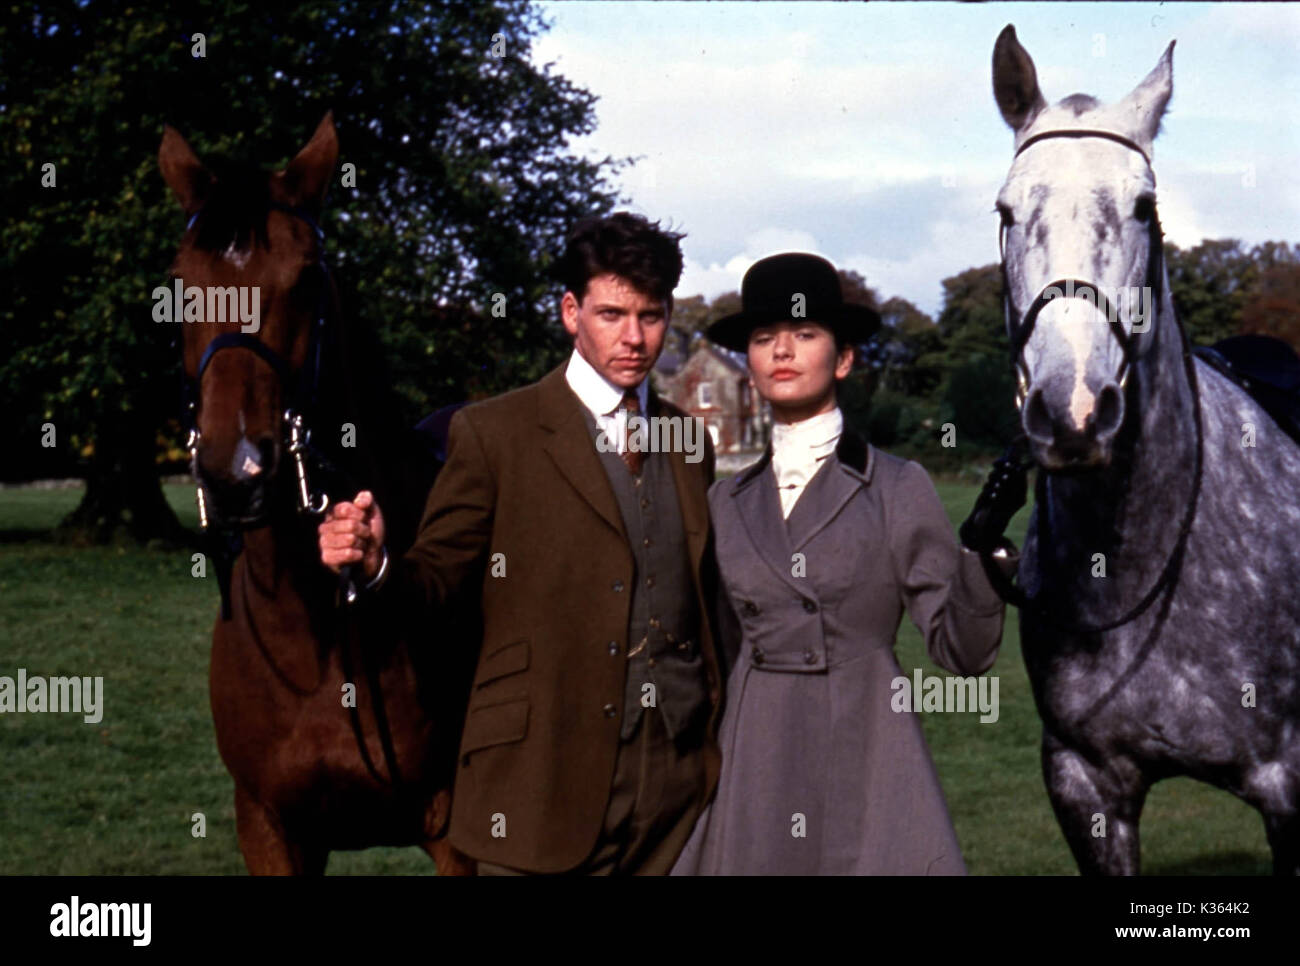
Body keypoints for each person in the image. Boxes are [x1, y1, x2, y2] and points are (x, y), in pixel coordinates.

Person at [318, 212, 725, 875]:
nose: (633, 338)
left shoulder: (688, 441)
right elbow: (434, 586)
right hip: (541, 786)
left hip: (677, 793)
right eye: (611, 314)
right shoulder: (493, 434)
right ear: (571, 312)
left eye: (650, 317)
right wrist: (376, 566)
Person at [670, 252, 1024, 875]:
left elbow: (962, 653)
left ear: (843, 359)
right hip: (758, 755)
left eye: (804, 334)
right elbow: (717, 653)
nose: (782, 350)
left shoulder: (896, 485)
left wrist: (981, 556)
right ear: (748, 364)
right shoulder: (724, 501)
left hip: (866, 745)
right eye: (764, 338)